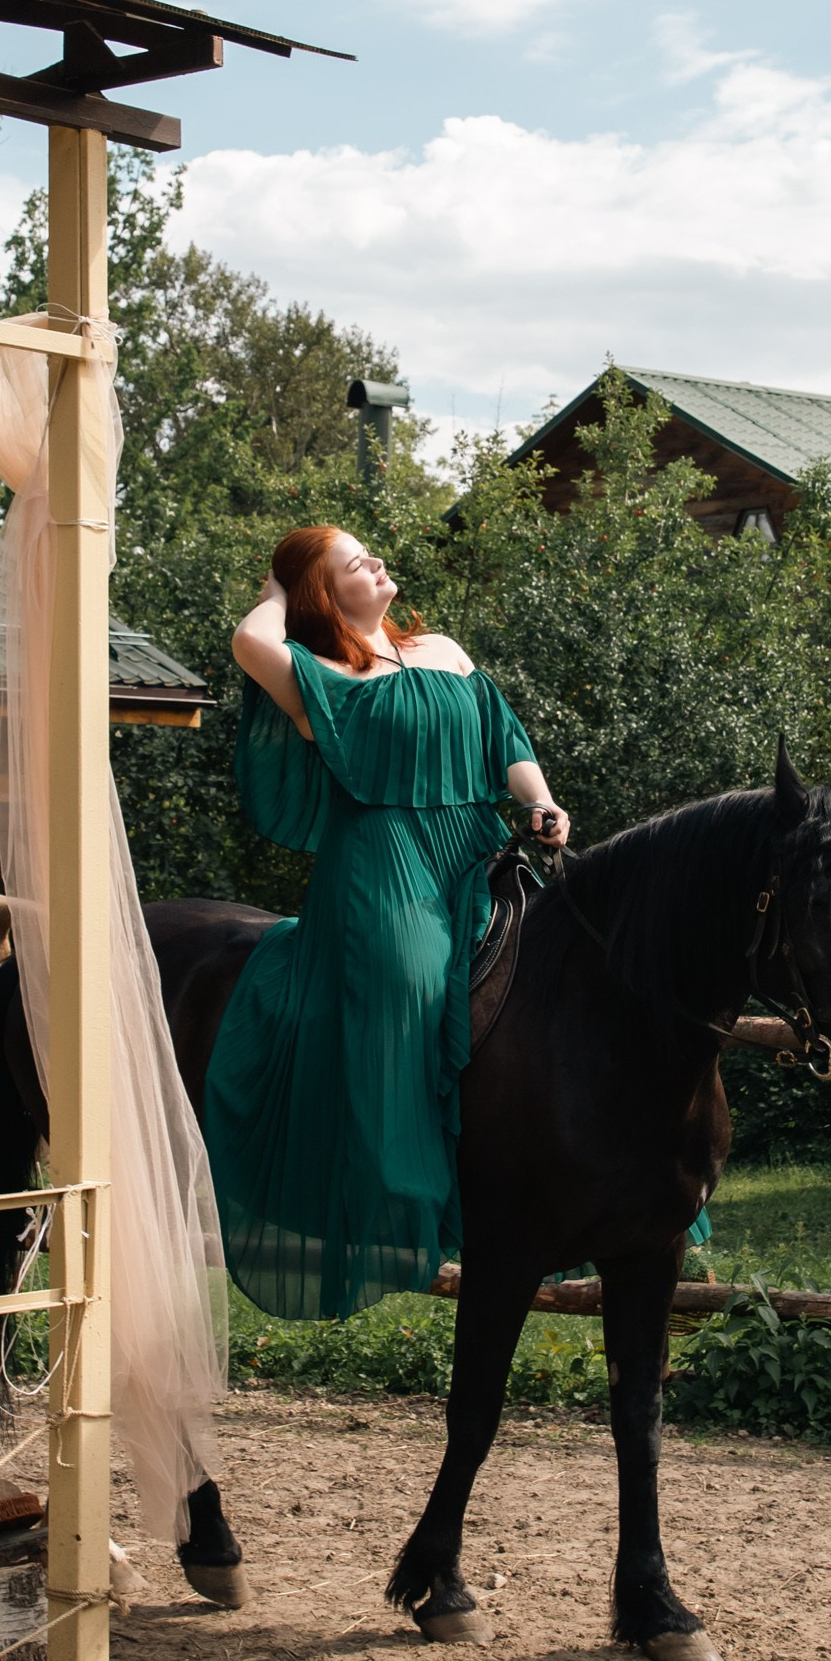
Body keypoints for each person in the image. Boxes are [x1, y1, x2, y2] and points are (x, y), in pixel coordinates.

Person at [205, 526, 569, 1322]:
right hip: (381, 857)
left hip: (474, 843)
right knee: (408, 977)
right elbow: (247, 638)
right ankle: (407, 1198)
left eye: (369, 552)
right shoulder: (317, 679)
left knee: (563, 965)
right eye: (350, 564)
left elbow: (505, 739)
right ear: (322, 597)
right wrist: (275, 593)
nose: (374, 561)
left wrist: (538, 799)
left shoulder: (442, 648)